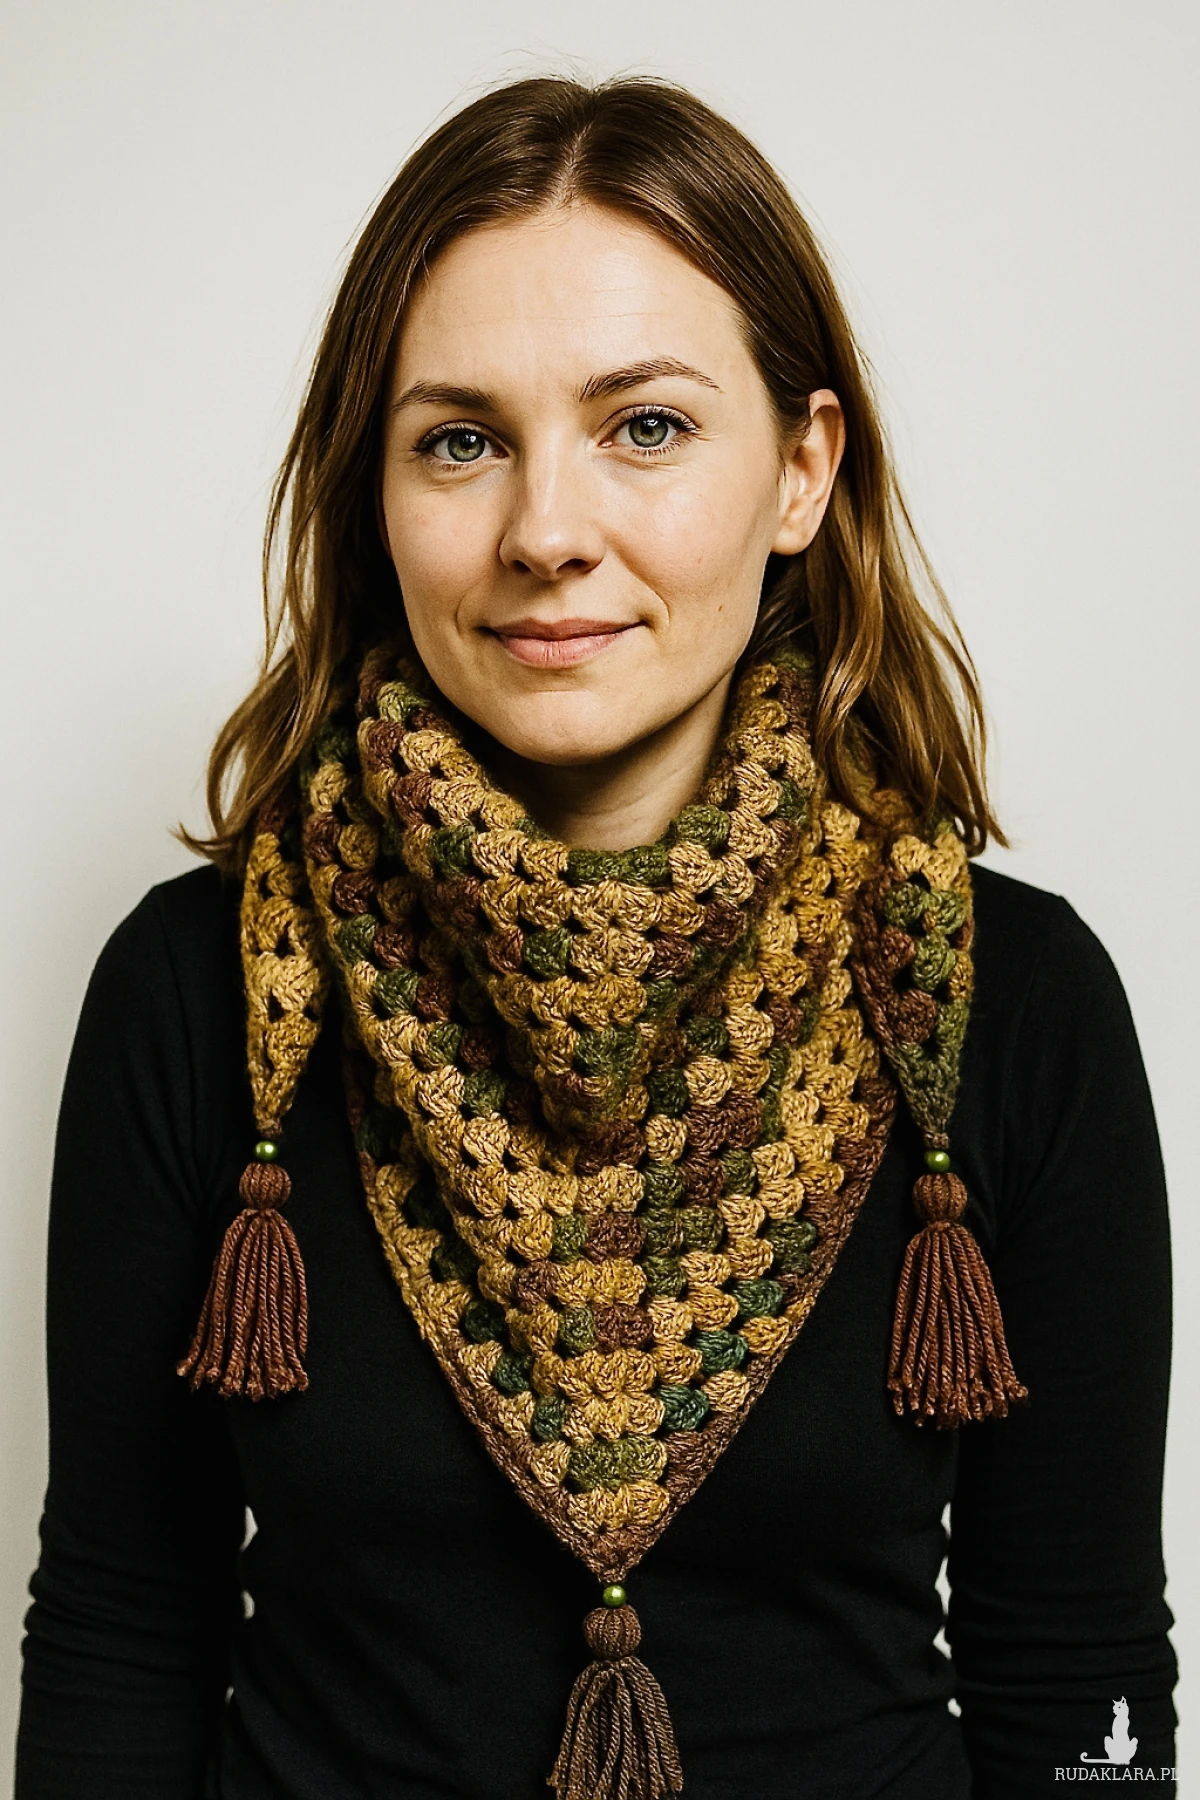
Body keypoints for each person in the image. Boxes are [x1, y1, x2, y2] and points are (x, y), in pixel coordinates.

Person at [15, 75, 1177, 1800]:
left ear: (803, 470)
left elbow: (1076, 1671)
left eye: (644, 425)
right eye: (459, 440)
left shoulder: (1009, 1004)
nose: (547, 531)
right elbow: (122, 1630)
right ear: (373, 488)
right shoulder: (205, 992)